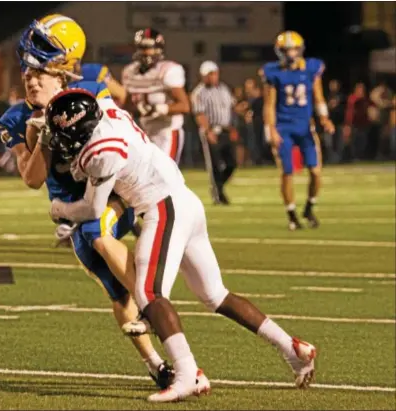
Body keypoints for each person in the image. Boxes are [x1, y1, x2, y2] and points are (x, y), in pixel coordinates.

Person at [46, 89, 317, 403]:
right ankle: (293, 349)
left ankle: (186, 375)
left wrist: (60, 210)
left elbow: (93, 210)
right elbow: (103, 99)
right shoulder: (106, 109)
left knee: (149, 294)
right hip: (185, 201)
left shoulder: (102, 150)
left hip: (163, 206)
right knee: (216, 295)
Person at [0, 15, 173, 388]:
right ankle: (157, 365)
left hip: (112, 195)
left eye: (38, 73)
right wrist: (39, 132)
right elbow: (32, 178)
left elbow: (119, 120)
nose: (30, 80)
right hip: (74, 211)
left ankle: (154, 306)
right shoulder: (16, 118)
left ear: (62, 72)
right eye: (27, 74)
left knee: (97, 229)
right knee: (114, 289)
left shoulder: (92, 89)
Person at [262, 31, 335, 230]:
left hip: (305, 127)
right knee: (287, 171)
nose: (291, 53)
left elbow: (318, 96)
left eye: (294, 48)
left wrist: (324, 118)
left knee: (316, 171)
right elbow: (269, 105)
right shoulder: (273, 72)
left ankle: (309, 206)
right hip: (283, 127)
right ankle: (292, 213)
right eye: (287, 49)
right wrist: (271, 130)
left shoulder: (311, 68)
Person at [122, 28, 190, 163]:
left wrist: (159, 109)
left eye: (150, 48)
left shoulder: (168, 70)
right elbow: (127, 105)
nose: (146, 52)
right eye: (143, 47)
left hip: (168, 131)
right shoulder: (130, 72)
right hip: (143, 131)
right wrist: (139, 109)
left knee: (165, 175)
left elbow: (185, 106)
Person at [191, 61, 237, 204]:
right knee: (215, 165)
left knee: (232, 164)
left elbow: (230, 108)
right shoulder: (199, 92)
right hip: (211, 131)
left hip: (225, 130)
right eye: (209, 74)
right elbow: (200, 114)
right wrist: (208, 131)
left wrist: (232, 127)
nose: (212, 77)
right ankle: (218, 195)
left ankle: (218, 188)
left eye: (214, 74)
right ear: (203, 76)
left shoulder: (224, 88)